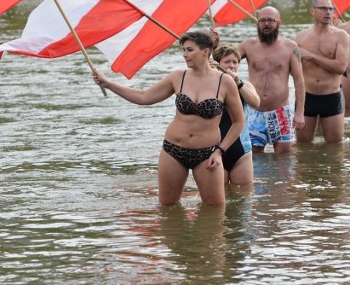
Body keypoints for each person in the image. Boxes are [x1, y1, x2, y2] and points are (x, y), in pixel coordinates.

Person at [92, 31, 244, 206]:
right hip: (173, 150)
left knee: (215, 209)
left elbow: (238, 122)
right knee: (168, 208)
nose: (184, 55)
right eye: (184, 50)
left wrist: (219, 151)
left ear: (205, 51)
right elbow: (144, 97)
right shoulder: (178, 76)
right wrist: (108, 84)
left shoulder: (225, 82)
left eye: (189, 50)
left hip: (208, 154)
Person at [237, 6, 305, 153]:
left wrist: (299, 112)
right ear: (258, 24)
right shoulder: (248, 45)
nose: (266, 24)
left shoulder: (290, 47)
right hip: (255, 112)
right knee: (253, 160)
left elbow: (299, 81)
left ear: (278, 23)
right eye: (262, 20)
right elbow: (226, 60)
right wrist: (214, 45)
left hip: (281, 113)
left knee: (285, 161)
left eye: (270, 20)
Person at [295, 0, 350, 143]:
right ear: (313, 11)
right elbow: (293, 69)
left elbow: (340, 68)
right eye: (323, 9)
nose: (328, 12)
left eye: (331, 9)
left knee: (335, 147)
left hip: (331, 96)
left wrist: (311, 56)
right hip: (306, 97)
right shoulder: (301, 36)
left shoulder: (341, 36)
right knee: (303, 147)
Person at [212, 45, 260, 185]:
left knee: (244, 196)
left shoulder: (245, 85)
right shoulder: (210, 85)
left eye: (235, 62)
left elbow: (256, 103)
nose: (231, 66)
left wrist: (238, 83)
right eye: (227, 62)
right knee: (221, 197)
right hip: (215, 149)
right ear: (217, 64)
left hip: (241, 149)